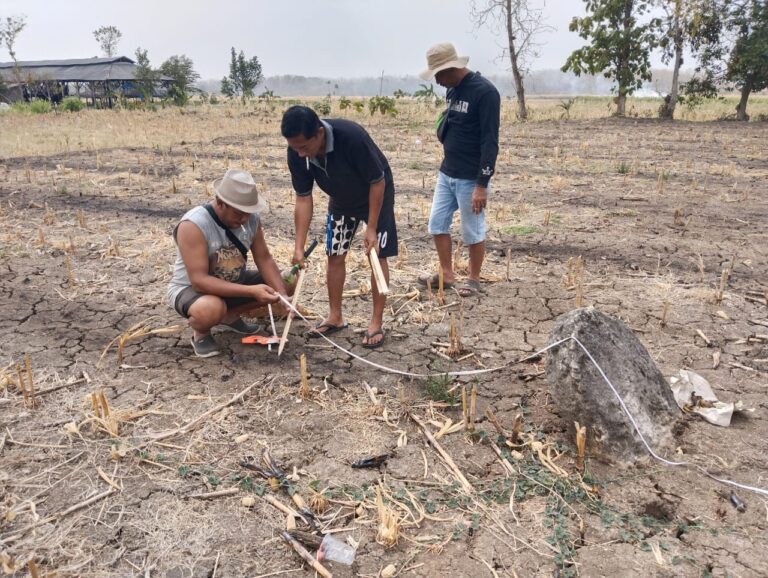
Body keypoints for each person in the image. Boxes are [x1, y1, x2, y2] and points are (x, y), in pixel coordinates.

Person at [280, 105, 397, 349]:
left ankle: (375, 322)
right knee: (334, 255)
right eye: (294, 148)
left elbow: (377, 181)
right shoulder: (297, 152)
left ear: (319, 134)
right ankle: (335, 316)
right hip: (342, 201)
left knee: (376, 256)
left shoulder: (352, 138)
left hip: (376, 195)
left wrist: (372, 228)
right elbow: (303, 197)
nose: (300, 154)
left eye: (303, 147)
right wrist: (299, 247)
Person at [167, 168, 289, 358]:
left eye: (249, 213)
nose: (244, 219)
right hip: (192, 290)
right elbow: (199, 280)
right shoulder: (193, 225)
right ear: (220, 202)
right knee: (211, 309)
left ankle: (229, 315)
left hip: (233, 281)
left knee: (288, 279)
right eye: (239, 213)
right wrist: (251, 291)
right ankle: (202, 333)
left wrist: (282, 295)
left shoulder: (251, 220)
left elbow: (264, 258)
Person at [418, 42, 500, 297]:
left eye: (439, 75)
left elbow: (490, 141)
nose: (438, 81)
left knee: (472, 230)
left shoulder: (485, 93)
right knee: (437, 224)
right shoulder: (452, 91)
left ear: (451, 68)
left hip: (470, 177)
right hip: (447, 173)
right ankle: (446, 273)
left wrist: (481, 185)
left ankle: (473, 279)